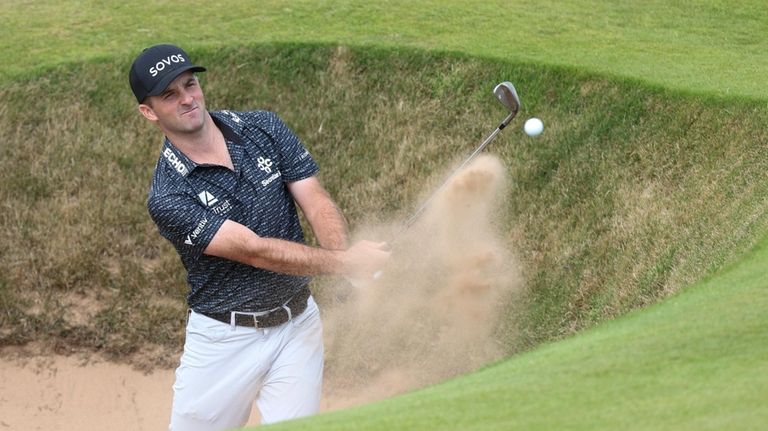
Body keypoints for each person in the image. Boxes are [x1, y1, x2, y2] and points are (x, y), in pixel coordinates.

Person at [128, 44, 390, 430]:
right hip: (224, 341)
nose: (187, 99)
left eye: (190, 84)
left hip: (298, 326)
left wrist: (345, 259)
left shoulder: (263, 127)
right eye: (170, 94)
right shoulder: (168, 195)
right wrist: (346, 263)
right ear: (148, 112)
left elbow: (314, 200)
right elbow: (253, 251)